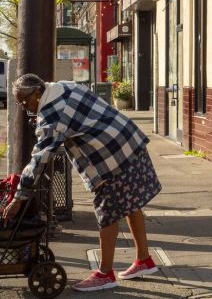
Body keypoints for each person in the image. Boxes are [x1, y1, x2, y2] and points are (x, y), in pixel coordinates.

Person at [2, 74, 162, 292]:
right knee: (131, 205)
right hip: (128, 139)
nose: (22, 106)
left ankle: (105, 274)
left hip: (110, 155)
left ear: (37, 93)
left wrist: (20, 196)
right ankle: (144, 260)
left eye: (24, 101)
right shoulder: (63, 87)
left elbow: (40, 157)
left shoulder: (51, 114)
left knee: (106, 213)